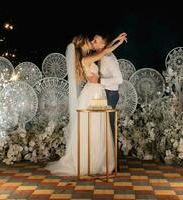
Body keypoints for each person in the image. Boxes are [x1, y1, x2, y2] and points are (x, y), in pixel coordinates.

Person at [45, 34, 127, 175]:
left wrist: (115, 40)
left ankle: (99, 159)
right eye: (89, 41)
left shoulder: (88, 57)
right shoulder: (86, 59)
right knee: (95, 127)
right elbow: (105, 51)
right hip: (94, 93)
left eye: (93, 41)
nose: (90, 42)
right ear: (83, 45)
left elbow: (104, 49)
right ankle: (94, 160)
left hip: (96, 92)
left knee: (99, 127)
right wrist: (119, 43)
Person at [90, 32, 126, 171]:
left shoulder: (108, 58)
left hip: (111, 94)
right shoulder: (102, 54)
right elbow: (108, 46)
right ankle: (108, 161)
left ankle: (115, 165)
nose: (92, 42)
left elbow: (119, 79)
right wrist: (117, 39)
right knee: (105, 128)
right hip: (105, 94)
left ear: (102, 45)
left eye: (95, 40)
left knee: (110, 128)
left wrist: (100, 81)